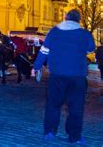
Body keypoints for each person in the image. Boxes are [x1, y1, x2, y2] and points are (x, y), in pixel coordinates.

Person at [33, 9, 95, 144]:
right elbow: (91, 49)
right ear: (78, 20)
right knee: (76, 107)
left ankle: (50, 131)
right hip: (77, 76)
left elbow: (44, 51)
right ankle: (74, 136)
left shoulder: (54, 32)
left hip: (57, 74)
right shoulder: (84, 34)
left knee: (53, 104)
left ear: (65, 18)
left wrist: (36, 67)